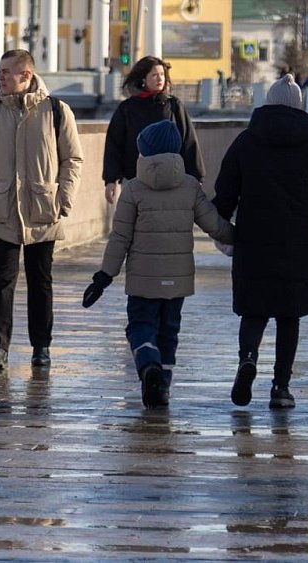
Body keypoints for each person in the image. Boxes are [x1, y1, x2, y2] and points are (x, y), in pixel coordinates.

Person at [82, 120, 234, 408]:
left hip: (143, 279)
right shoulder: (190, 186)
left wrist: (104, 276)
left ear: (145, 153)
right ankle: (162, 387)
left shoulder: (133, 189)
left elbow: (120, 238)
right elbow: (215, 225)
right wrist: (245, 240)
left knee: (140, 326)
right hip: (178, 280)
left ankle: (148, 362)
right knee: (169, 332)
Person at [213, 74, 308, 409]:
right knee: (289, 315)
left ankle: (248, 358)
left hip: (253, 239)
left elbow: (225, 191)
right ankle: (281, 387)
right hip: (298, 243)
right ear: (299, 105)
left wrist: (222, 233)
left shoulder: (245, 142)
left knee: (253, 310)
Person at [0, 49, 83, 370]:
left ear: (26, 75)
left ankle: (41, 347)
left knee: (41, 281)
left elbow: (73, 158)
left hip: (43, 208)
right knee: (1, 282)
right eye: (0, 71)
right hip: (1, 208)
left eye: (6, 72)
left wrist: (63, 198)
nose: (0, 77)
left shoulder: (56, 110)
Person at [103, 56, 203, 204]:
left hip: (170, 179)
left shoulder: (173, 105)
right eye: (154, 75)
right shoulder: (127, 108)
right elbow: (114, 144)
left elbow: (188, 141)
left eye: (162, 74)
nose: (160, 79)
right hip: (134, 178)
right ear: (143, 79)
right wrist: (110, 179)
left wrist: (196, 177)